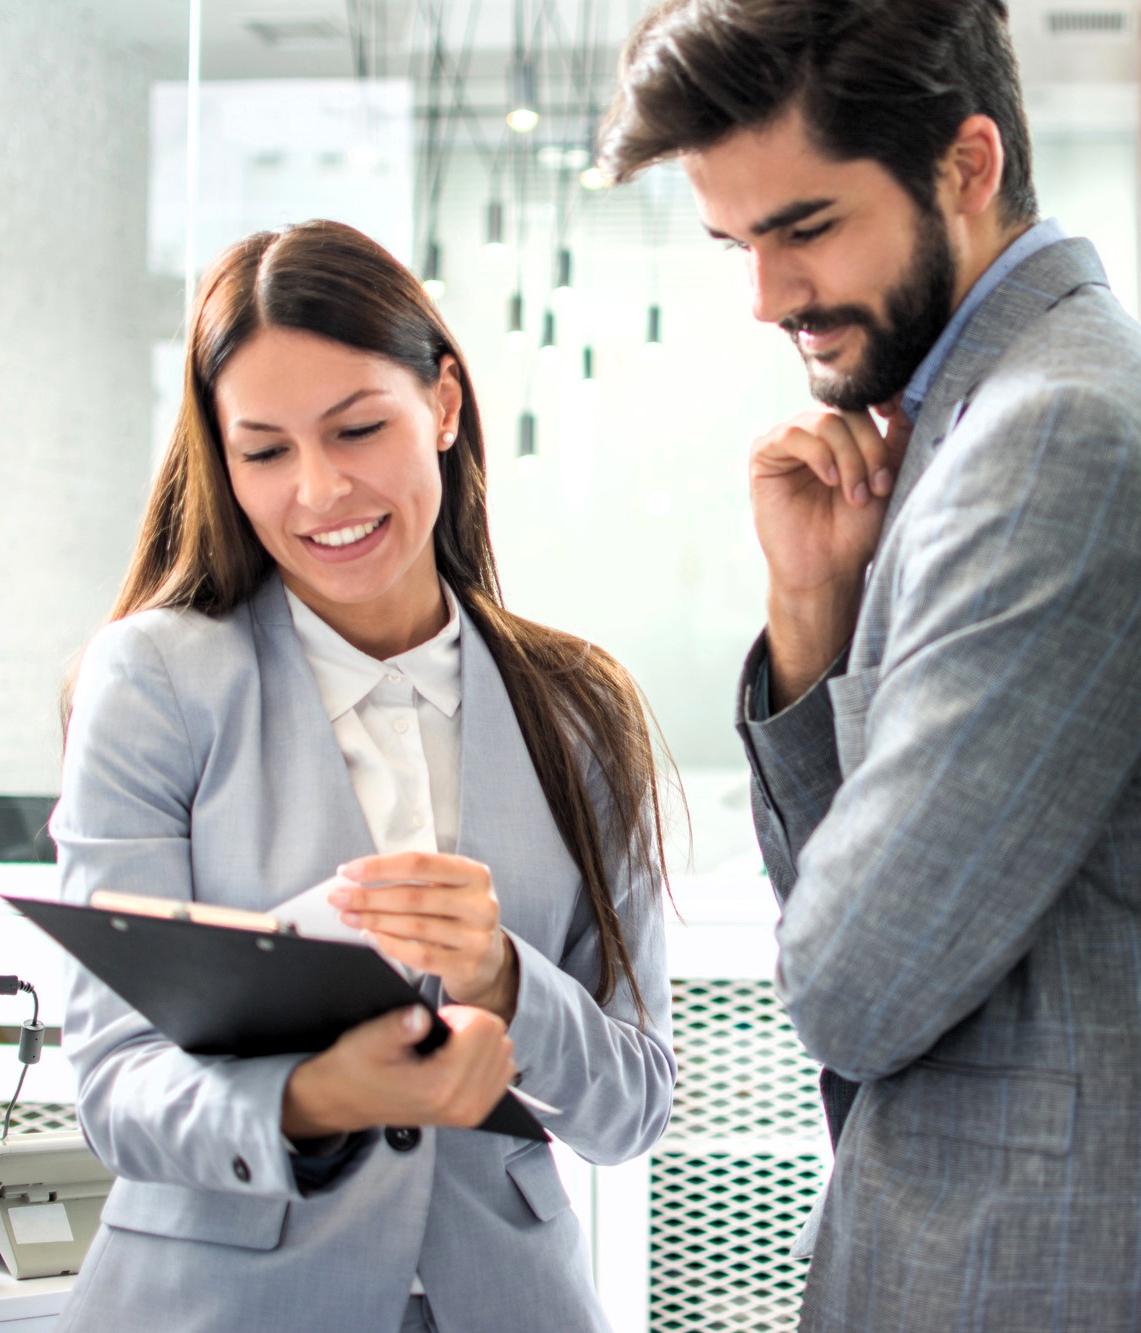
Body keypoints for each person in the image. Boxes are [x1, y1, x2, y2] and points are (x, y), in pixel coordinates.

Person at [600, 3, 1141, 1329]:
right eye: (738, 243)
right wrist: (816, 616)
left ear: (967, 166)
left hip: (1052, 1267)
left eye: (804, 228)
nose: (766, 296)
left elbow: (855, 985)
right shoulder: (986, 419)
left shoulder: (1053, 443)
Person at [50, 220, 675, 1333]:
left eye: (356, 429)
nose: (319, 491)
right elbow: (114, 1089)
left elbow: (632, 1106)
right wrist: (317, 1097)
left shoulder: (577, 708)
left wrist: (499, 978)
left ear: (441, 404)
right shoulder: (154, 678)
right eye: (265, 451)